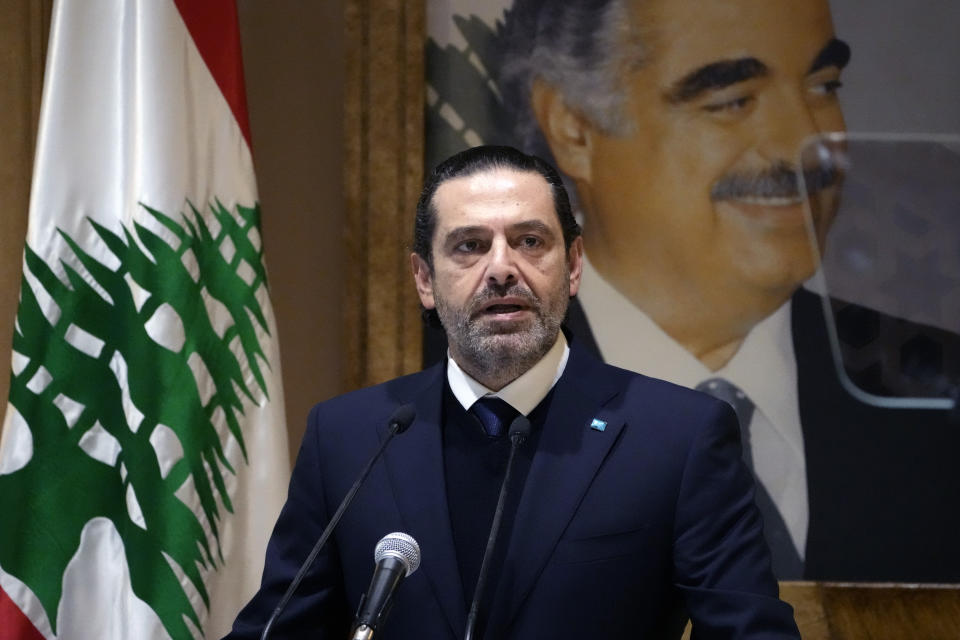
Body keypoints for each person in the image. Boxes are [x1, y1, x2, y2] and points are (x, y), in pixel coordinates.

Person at [224, 146, 801, 638]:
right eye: (469, 246)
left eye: (529, 241)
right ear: (424, 280)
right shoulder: (349, 437)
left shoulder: (678, 436)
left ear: (573, 267)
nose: (502, 269)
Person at [485, 0, 960, 581]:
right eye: (734, 101)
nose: (804, 147)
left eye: (823, 85)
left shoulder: (938, 391)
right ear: (574, 127)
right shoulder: (449, 407)